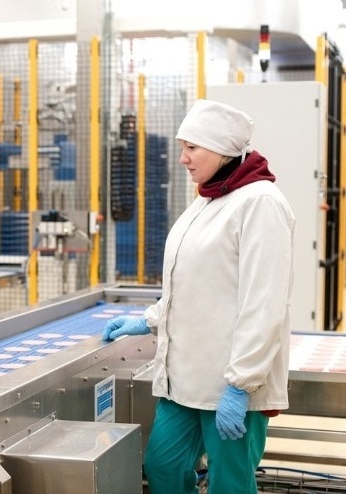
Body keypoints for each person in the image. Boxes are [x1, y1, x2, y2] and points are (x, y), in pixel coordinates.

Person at [103, 99, 295, 493]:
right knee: (162, 465)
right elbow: (194, 285)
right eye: (182, 147)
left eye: (191, 148)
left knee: (230, 483)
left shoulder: (260, 202)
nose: (182, 159)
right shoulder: (207, 199)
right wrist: (150, 319)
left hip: (232, 383)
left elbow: (264, 304)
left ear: (222, 148)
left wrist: (241, 383)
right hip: (186, 379)